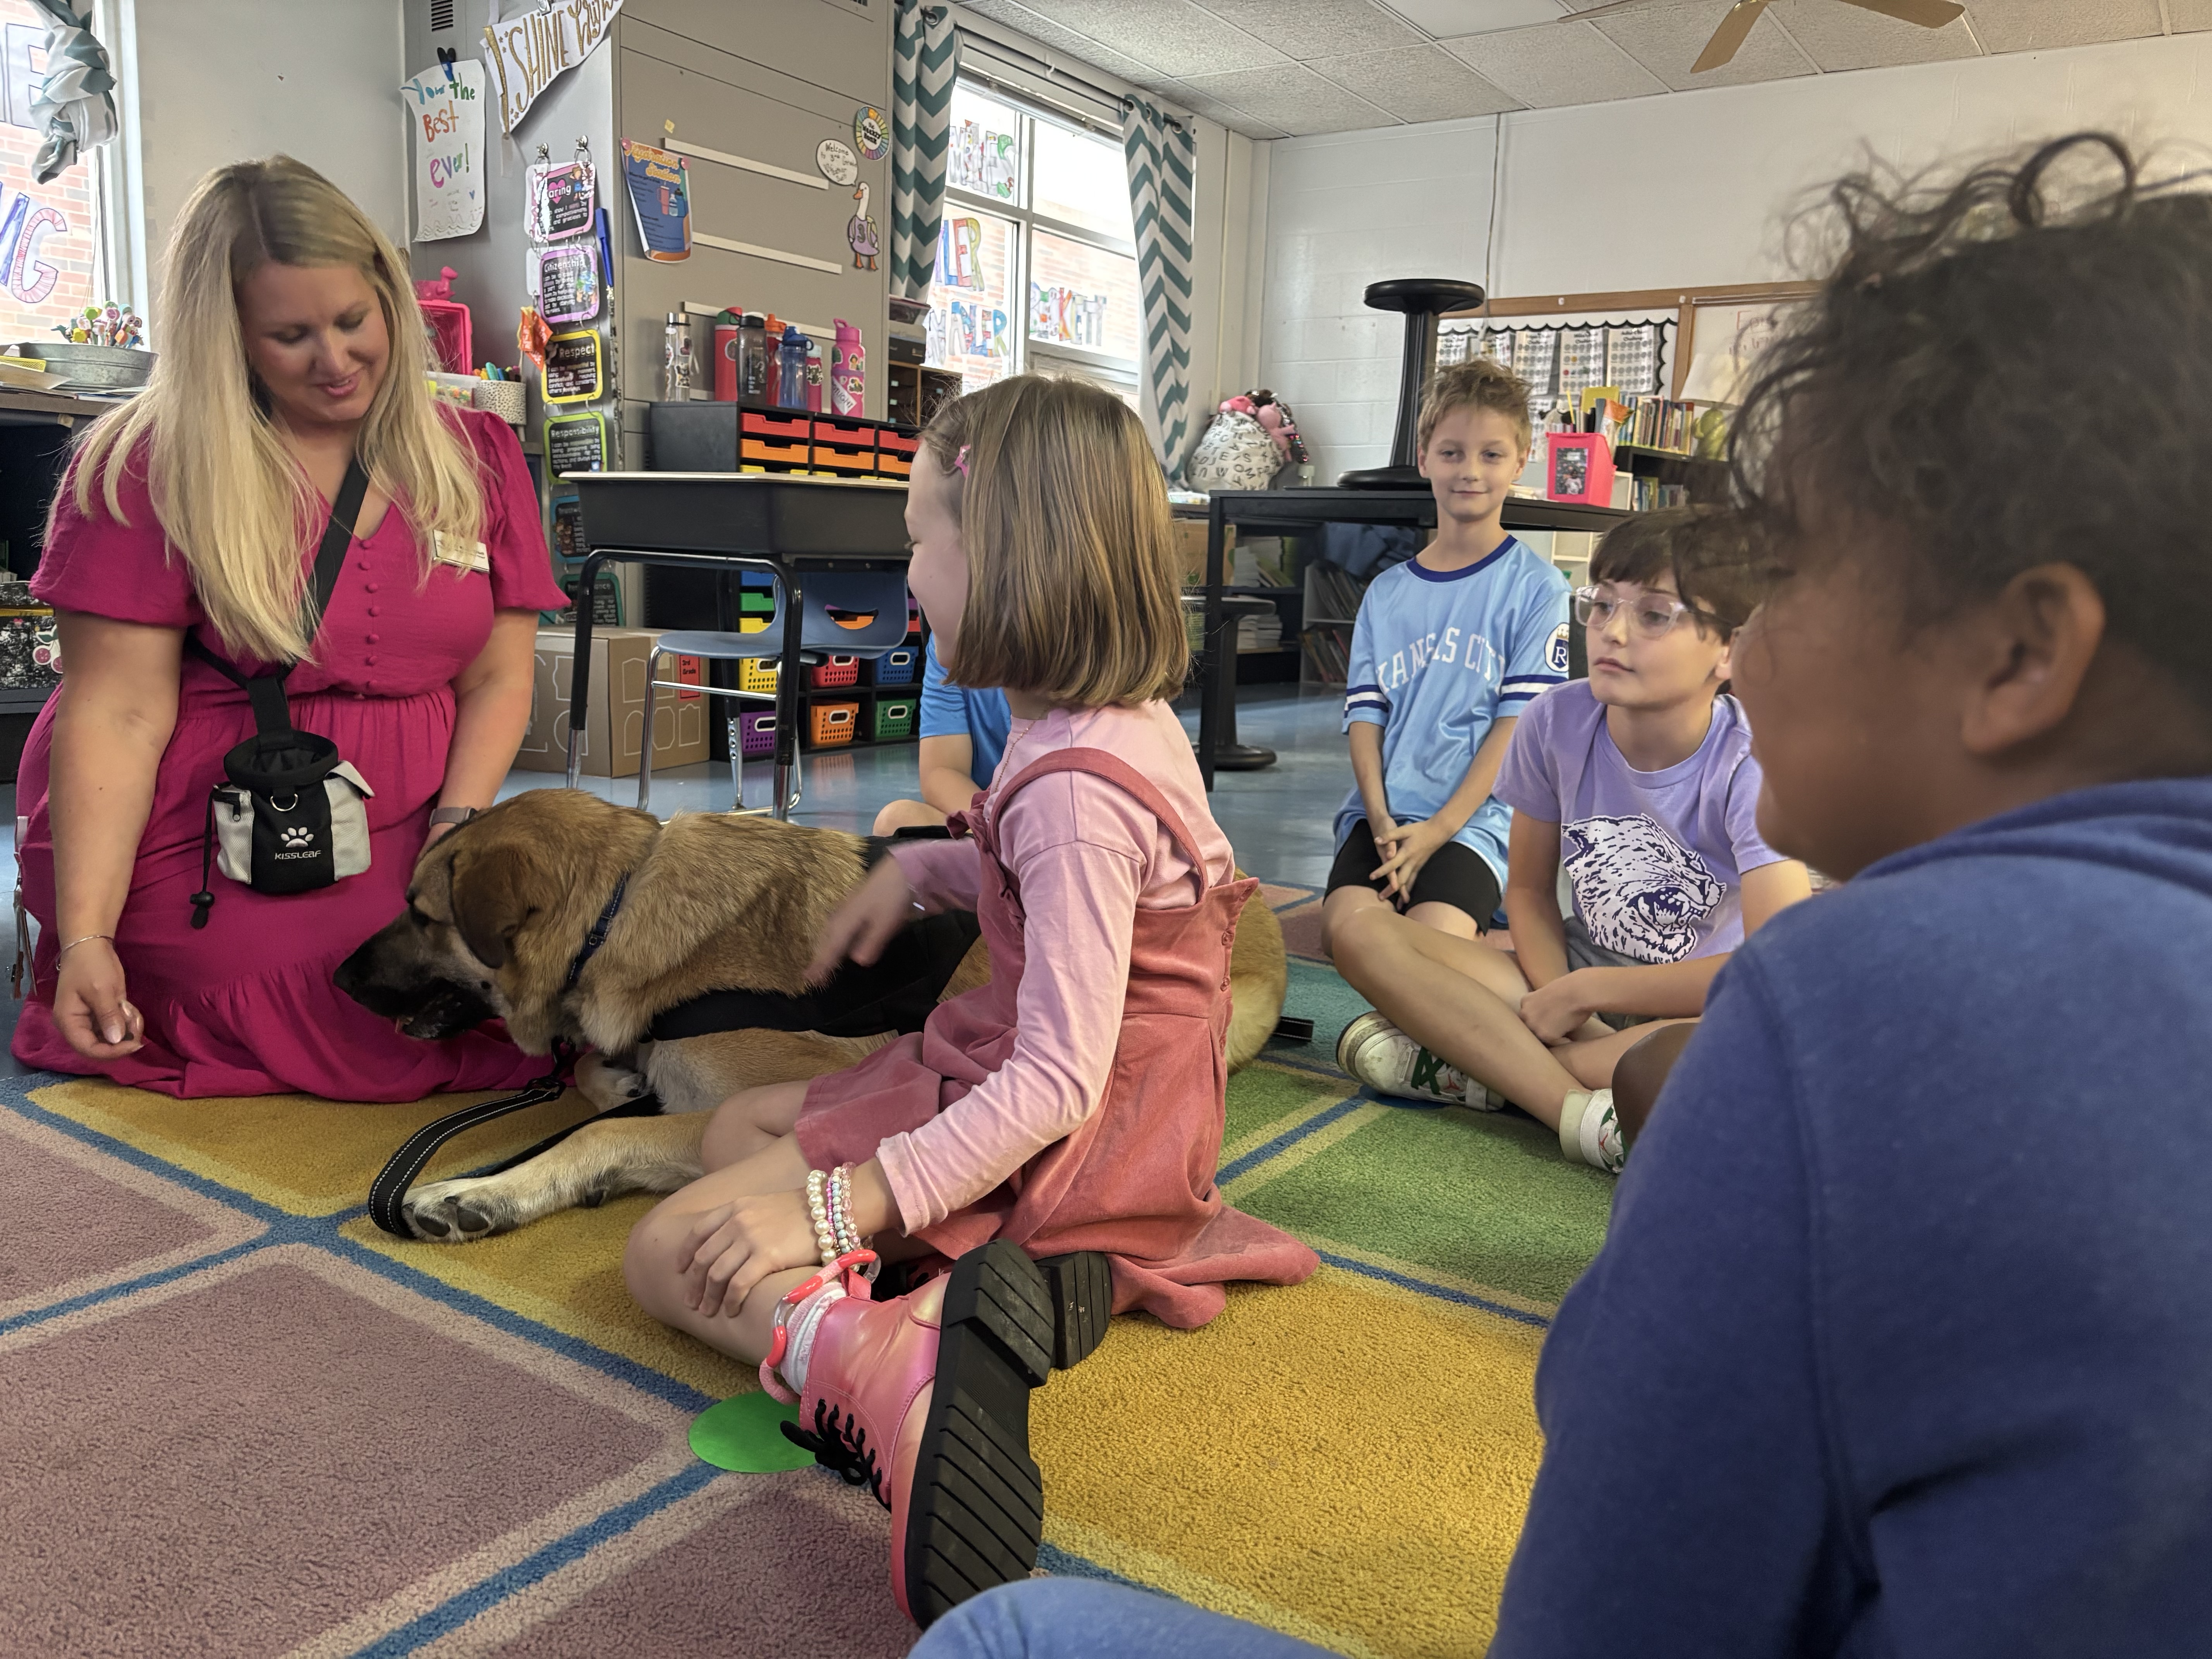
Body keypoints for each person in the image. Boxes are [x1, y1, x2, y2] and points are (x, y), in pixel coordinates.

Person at [902, 131, 2212, 1657]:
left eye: (1783, 571)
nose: (1739, 632)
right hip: (1561, 984)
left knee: (1003, 1638)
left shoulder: (1849, 1009)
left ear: (2023, 654)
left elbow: (1596, 1612)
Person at [621, 375, 1317, 1623]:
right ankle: (992, 1282)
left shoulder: (1073, 794)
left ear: (1004, 557)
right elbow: (1063, 888)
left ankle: (879, 1359)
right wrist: (926, 870)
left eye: (918, 544)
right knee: (736, 1131)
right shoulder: (1105, 728)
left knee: (670, 1251)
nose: (907, 583)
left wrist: (844, 1208)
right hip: (1116, 1110)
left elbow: (1055, 1079)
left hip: (1072, 1132)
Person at [12, 155, 565, 1098]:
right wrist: (87, 935)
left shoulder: (477, 453)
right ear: (224, 337)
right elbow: (117, 716)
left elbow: (498, 677)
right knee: (338, 1000)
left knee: (548, 958)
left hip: (421, 815)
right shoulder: (144, 463)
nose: (336, 362)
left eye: (353, 321)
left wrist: (457, 837)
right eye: (291, 336)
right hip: (217, 821)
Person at [1333, 508, 1810, 1171]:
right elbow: (1529, 892)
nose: (1612, 631)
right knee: (1361, 930)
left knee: (1774, 1038)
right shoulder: (1554, 719)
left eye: (1654, 614)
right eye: (1602, 604)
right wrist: (1564, 997)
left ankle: (1489, 1070)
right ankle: (1584, 1113)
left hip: (1692, 1007)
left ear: (1731, 650)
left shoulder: (1754, 763)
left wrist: (1586, 997)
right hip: (1563, 975)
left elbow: (1772, 966)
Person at [1320, 358, 1570, 960]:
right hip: (1384, 817)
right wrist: (1381, 821)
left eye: (1491, 454)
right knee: (1347, 937)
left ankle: (1489, 948)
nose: (1470, 471)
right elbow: (1366, 720)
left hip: (1476, 822)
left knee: (1430, 949)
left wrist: (1437, 831)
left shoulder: (1539, 590)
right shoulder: (1385, 593)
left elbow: (1516, 729)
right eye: (1452, 453)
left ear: (1520, 460)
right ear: (1425, 456)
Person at [870, 633, 1013, 834]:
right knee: (895, 822)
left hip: (1049, 819)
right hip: (994, 819)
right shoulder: (948, 639)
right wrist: (993, 832)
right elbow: (941, 771)